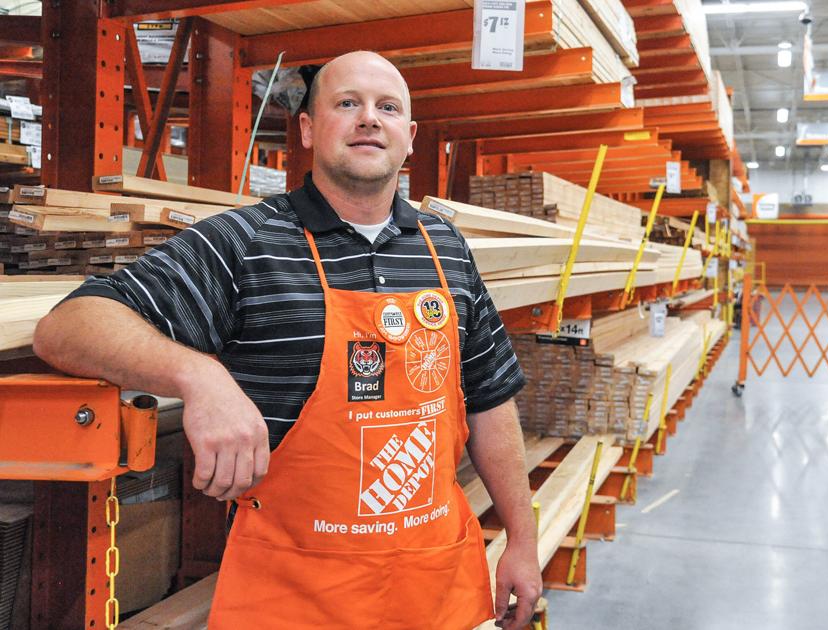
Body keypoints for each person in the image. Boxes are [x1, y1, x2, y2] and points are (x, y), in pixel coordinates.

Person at [33, 50, 542, 629]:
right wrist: (199, 376)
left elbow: (490, 399)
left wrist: (522, 541)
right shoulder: (247, 245)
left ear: (410, 137)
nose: (369, 118)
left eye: (387, 107)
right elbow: (70, 325)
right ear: (306, 128)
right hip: (295, 595)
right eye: (347, 103)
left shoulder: (446, 250)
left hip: (435, 582)